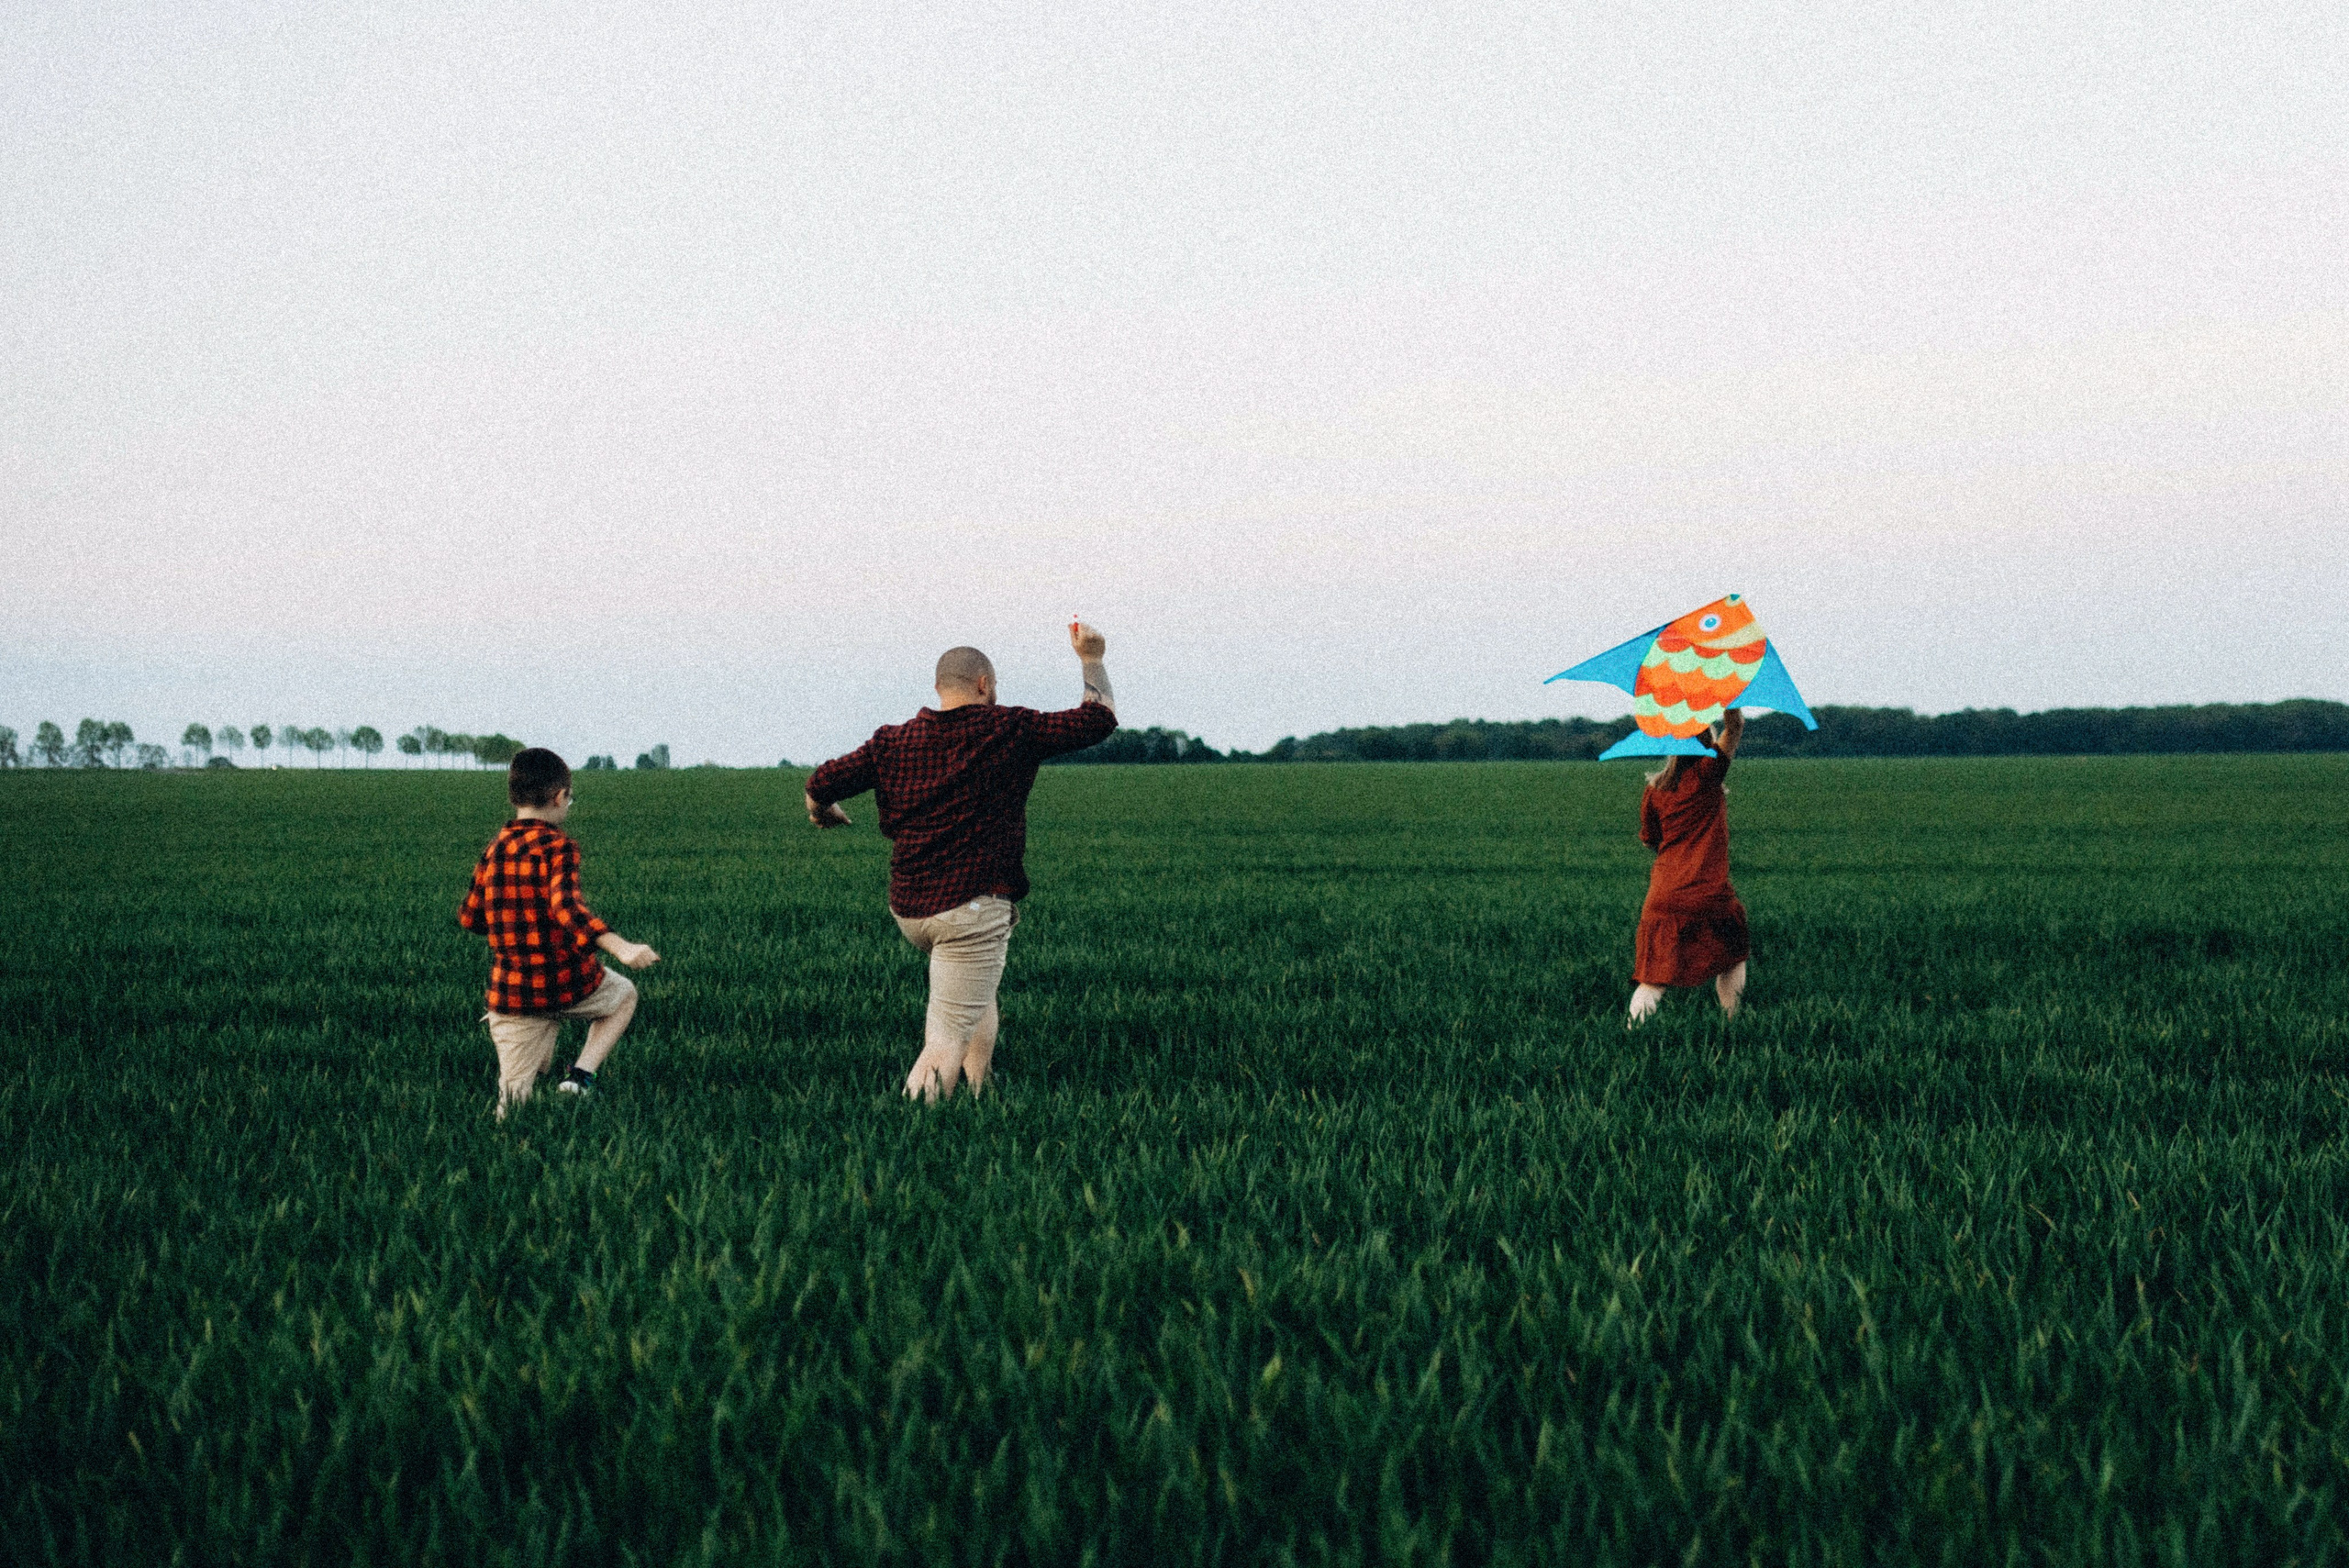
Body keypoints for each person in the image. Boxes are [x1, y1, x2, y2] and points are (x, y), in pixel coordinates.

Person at [805, 622, 1119, 1099]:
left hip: (911, 909)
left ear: (938, 688)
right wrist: (1091, 657)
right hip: (969, 907)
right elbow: (1097, 721)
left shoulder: (893, 741)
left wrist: (823, 813)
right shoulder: (1010, 728)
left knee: (977, 993)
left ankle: (980, 1090)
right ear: (984, 685)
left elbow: (820, 783)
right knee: (944, 1039)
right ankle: (910, 1138)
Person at [458, 747, 661, 1117]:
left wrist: (514, 921)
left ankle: (516, 1144)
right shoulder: (558, 847)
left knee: (514, 1105)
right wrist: (621, 947)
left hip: (513, 996)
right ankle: (580, 1078)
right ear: (559, 797)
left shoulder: (494, 850)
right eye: (571, 797)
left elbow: (471, 918)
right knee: (623, 995)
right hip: (567, 985)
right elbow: (566, 908)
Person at [1626, 708, 1748, 1026]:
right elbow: (1734, 727)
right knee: (1733, 955)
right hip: (1708, 892)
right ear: (1706, 742)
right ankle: (1732, 1021)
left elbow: (1650, 839)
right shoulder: (1708, 775)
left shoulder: (1655, 790)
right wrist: (1726, 695)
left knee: (1652, 979)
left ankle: (1629, 1033)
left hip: (1663, 896)